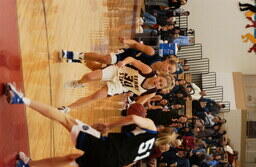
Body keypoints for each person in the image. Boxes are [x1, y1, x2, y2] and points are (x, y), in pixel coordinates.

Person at [5, 83, 177, 167]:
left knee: (65, 120)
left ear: (162, 129)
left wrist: (109, 126)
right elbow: (127, 163)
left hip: (105, 149)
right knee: (70, 159)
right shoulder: (146, 152)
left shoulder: (152, 126)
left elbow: (133, 118)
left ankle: (21, 99)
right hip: (108, 163)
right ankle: (28, 165)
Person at [59, 56, 175, 112]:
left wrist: (134, 108)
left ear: (160, 88)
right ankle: (79, 82)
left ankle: (67, 108)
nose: (158, 83)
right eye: (160, 80)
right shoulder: (148, 71)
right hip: (118, 72)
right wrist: (123, 62)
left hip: (119, 86)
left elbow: (139, 104)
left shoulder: (151, 92)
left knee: (96, 96)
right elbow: (132, 60)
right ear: (159, 76)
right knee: (89, 76)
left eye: (160, 85)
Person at [60, 38, 177, 74]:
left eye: (169, 71)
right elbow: (136, 44)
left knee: (97, 70)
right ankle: (73, 54)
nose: (167, 70)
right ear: (167, 61)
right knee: (105, 59)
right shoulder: (151, 53)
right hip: (124, 56)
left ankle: (81, 60)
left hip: (125, 69)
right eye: (169, 67)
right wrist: (126, 41)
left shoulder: (152, 73)